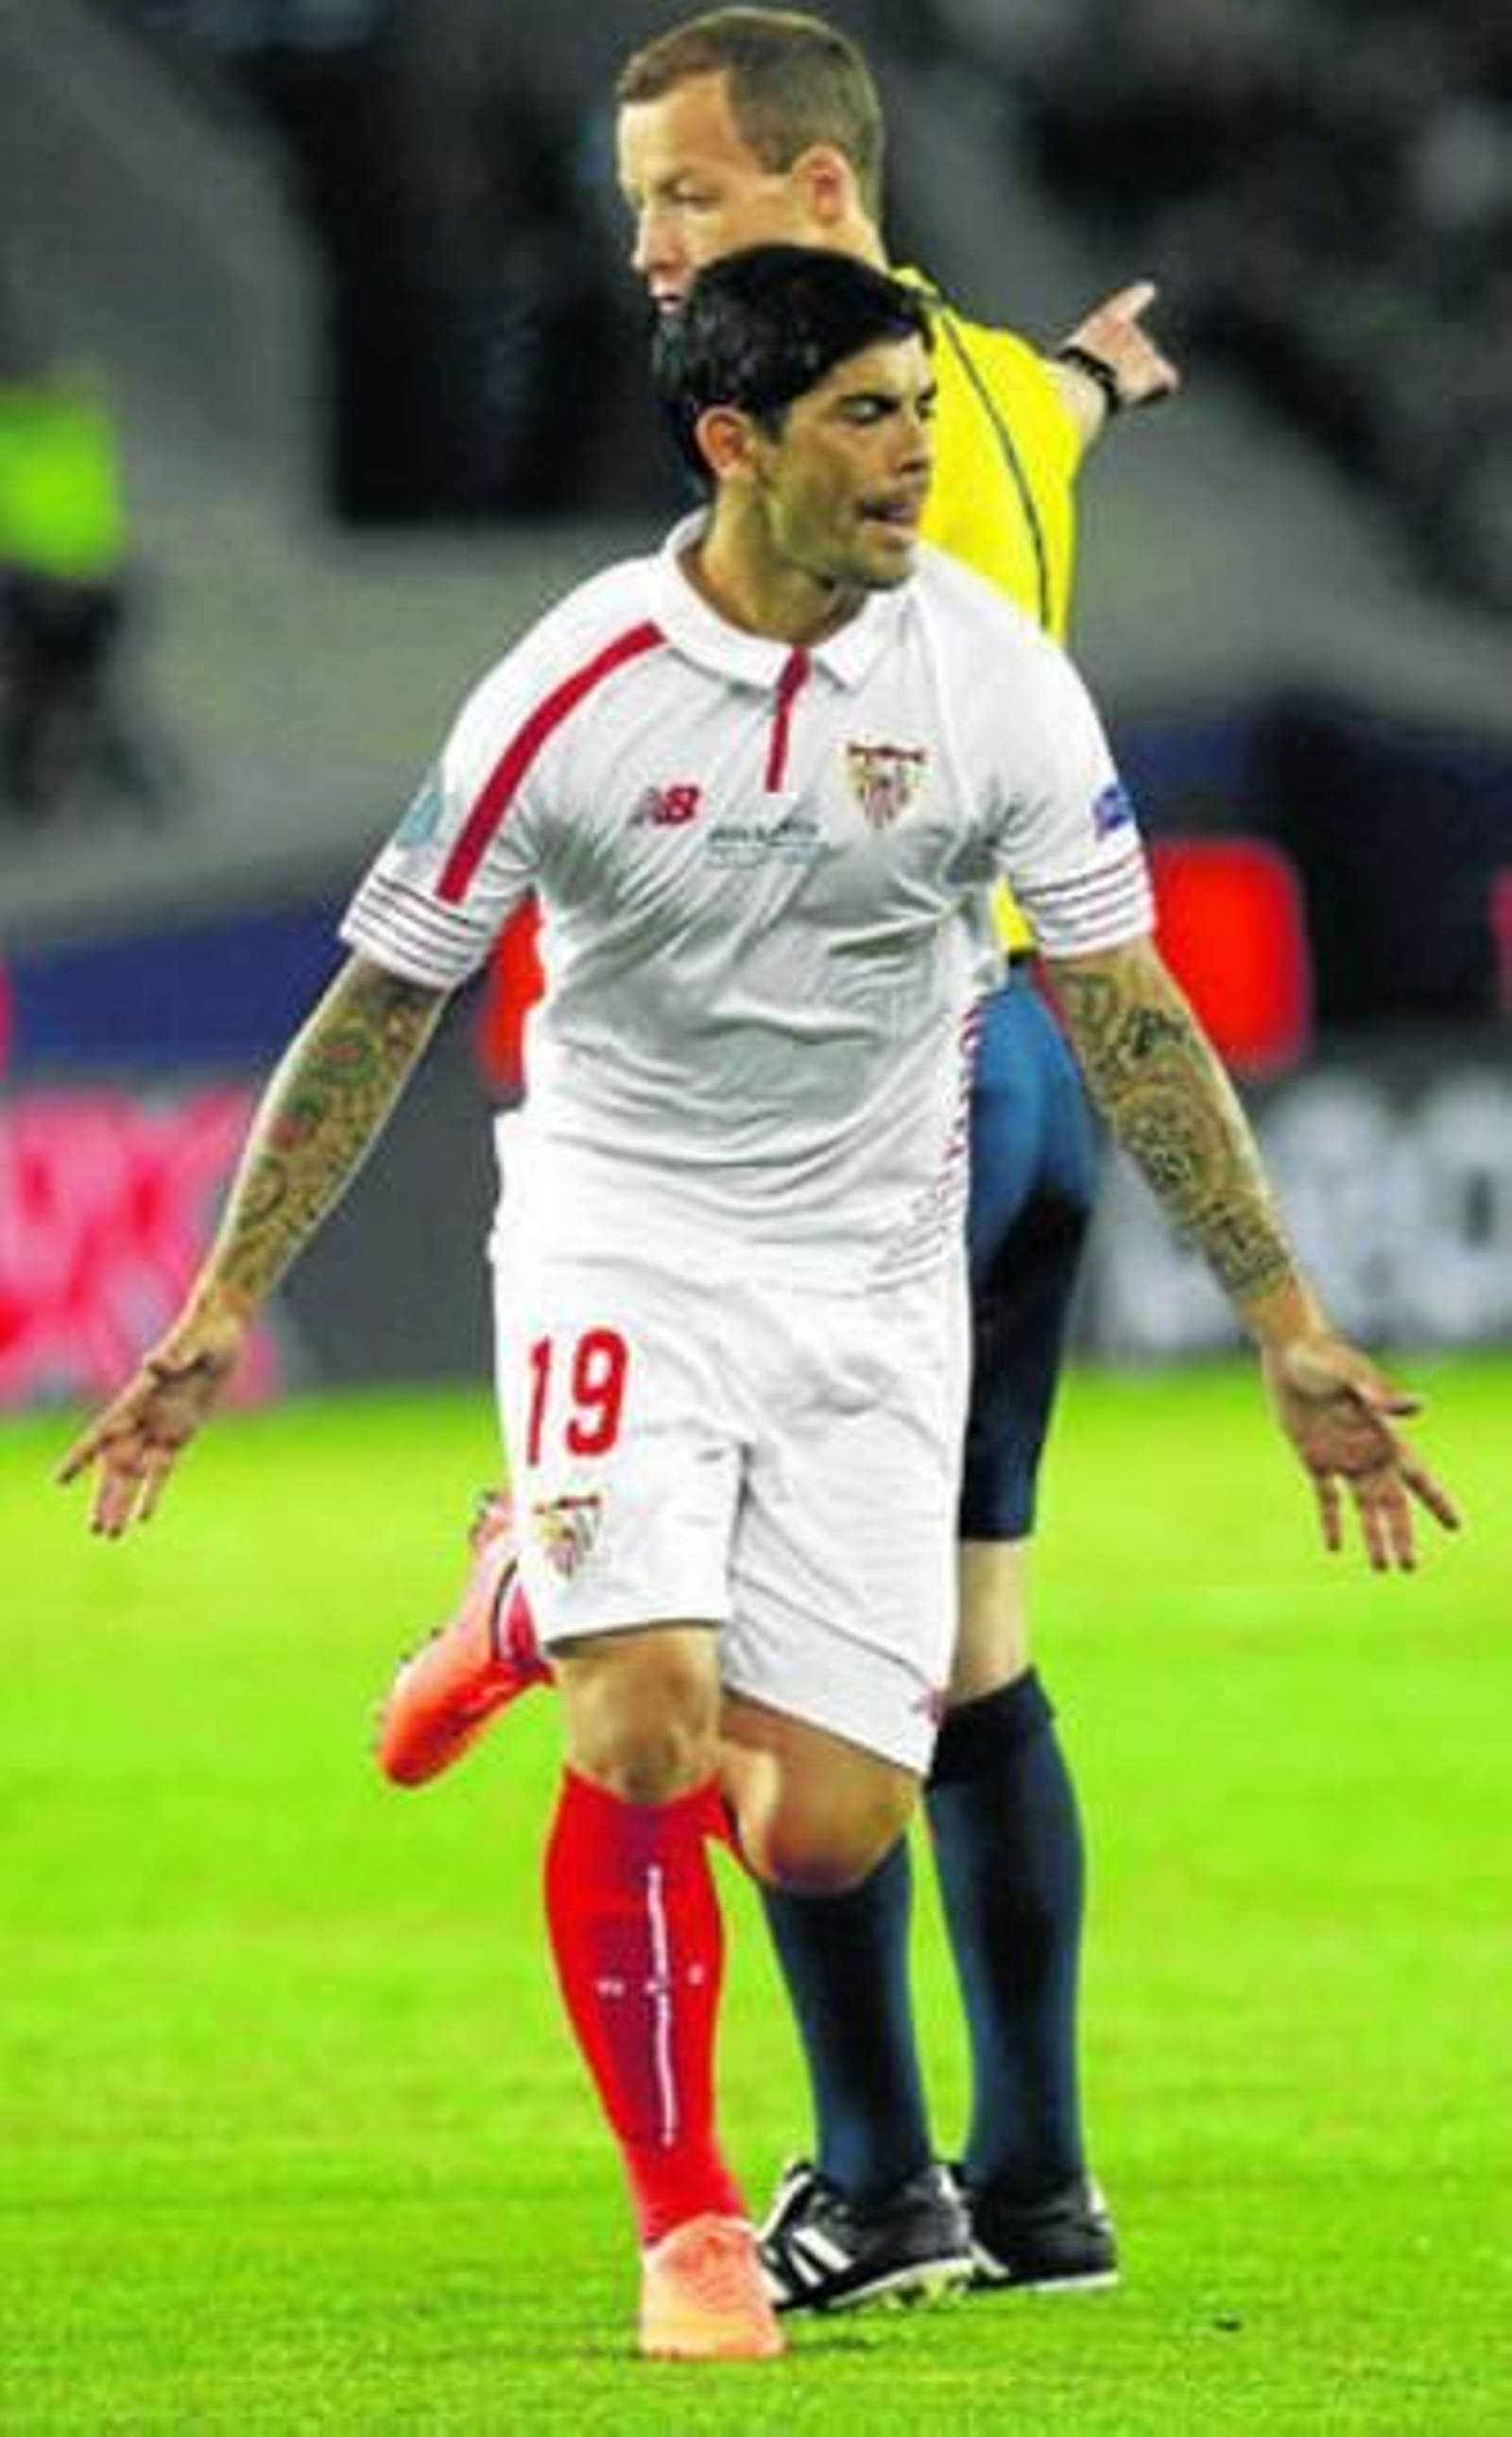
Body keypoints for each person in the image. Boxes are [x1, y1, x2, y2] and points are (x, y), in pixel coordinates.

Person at [61, 246, 1455, 2366]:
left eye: (918, 406)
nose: (915, 457)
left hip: (874, 1283)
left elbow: (1130, 1012)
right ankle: (691, 2219)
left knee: (827, 1822)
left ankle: (525, 1592)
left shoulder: (988, 680)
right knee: (646, 1730)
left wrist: (1280, 1318)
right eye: (867, 418)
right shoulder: (572, 682)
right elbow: (379, 1003)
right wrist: (212, 1305)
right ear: (734, 445)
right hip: (623, 1233)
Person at [377, 3, 1180, 2310]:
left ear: (824, 194)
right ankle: (1033, 2191)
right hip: (1033, 1072)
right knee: (971, 1654)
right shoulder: (997, 397)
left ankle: (868, 2178)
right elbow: (1062, 396)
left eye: (689, 197)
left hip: (895, 1074)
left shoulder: (808, 432)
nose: (646, 246)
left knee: (741, 1667)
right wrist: (1110, 374)